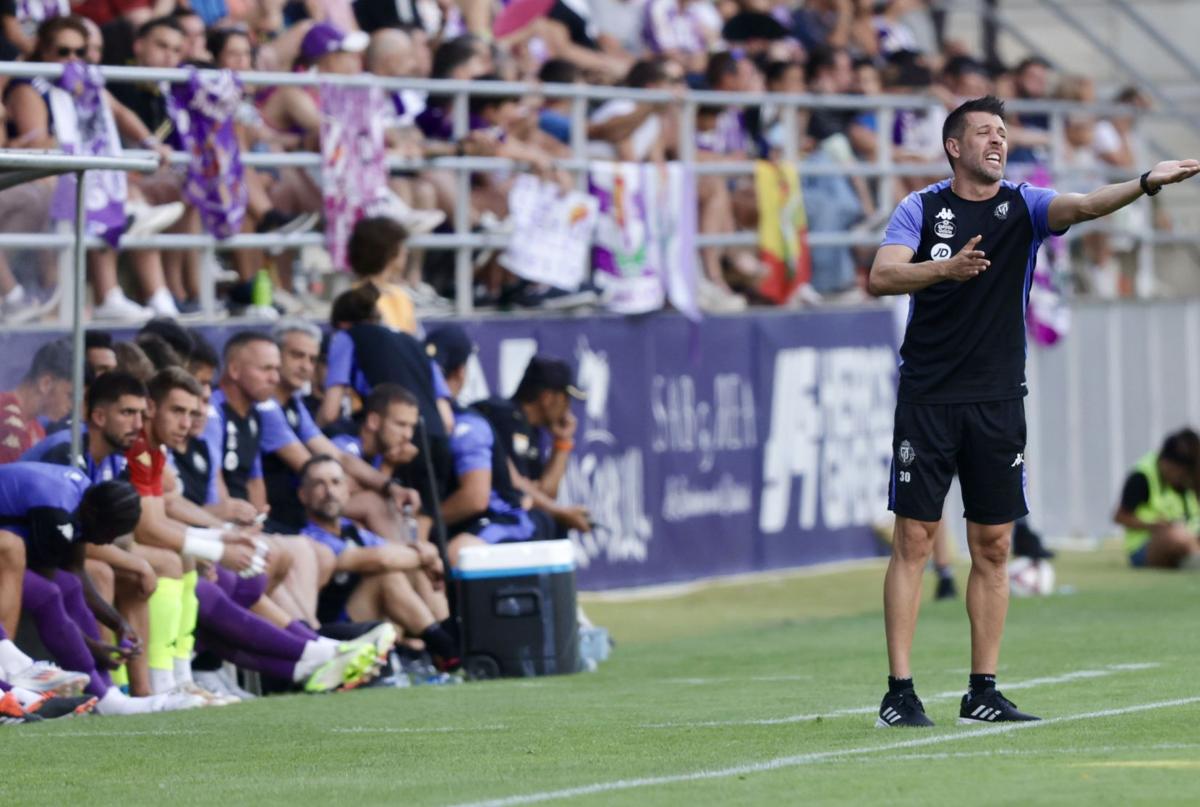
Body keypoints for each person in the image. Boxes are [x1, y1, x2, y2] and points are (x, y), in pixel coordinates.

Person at [867, 94, 1200, 727]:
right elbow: (882, 277)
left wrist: (1146, 183)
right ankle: (900, 692)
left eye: (1002, 132)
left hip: (998, 401)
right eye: (984, 133)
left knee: (994, 546)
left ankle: (981, 690)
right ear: (954, 147)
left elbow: (1088, 203)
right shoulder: (921, 208)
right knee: (914, 538)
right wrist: (946, 270)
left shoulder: (1024, 203)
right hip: (929, 398)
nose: (998, 141)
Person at [297, 455, 457, 669]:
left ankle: (449, 645)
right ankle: (449, 649)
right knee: (387, 575)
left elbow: (395, 550)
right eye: (319, 484)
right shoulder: (308, 539)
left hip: (370, 621)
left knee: (416, 571)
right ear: (303, 495)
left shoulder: (351, 529)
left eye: (336, 482)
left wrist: (429, 555)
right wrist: (426, 556)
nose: (330, 492)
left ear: (347, 489)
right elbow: (381, 559)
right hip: (331, 634)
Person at [425, 325, 556, 564]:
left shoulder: (469, 424)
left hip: (500, 518)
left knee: (457, 555)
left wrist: (424, 523)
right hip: (452, 521)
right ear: (462, 372)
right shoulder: (413, 418)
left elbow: (475, 499)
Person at [473, 356, 592, 537]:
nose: (568, 409)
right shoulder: (503, 418)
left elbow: (545, 493)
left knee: (549, 521)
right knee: (547, 522)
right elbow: (516, 489)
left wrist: (563, 442)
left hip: (505, 514)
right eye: (566, 399)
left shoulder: (531, 429)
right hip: (483, 518)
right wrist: (559, 511)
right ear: (547, 397)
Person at [1114, 429, 1200, 569]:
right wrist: (1153, 525)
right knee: (1175, 536)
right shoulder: (1142, 476)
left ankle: (1191, 559)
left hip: (1187, 538)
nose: (1182, 478)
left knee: (1181, 535)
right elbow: (1119, 517)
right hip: (1145, 547)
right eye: (1179, 473)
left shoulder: (1188, 478)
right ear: (1167, 463)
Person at [0, 337, 73, 464]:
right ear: (46, 384)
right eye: (69, 395)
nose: (71, 406)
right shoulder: (4, 418)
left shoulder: (36, 428)